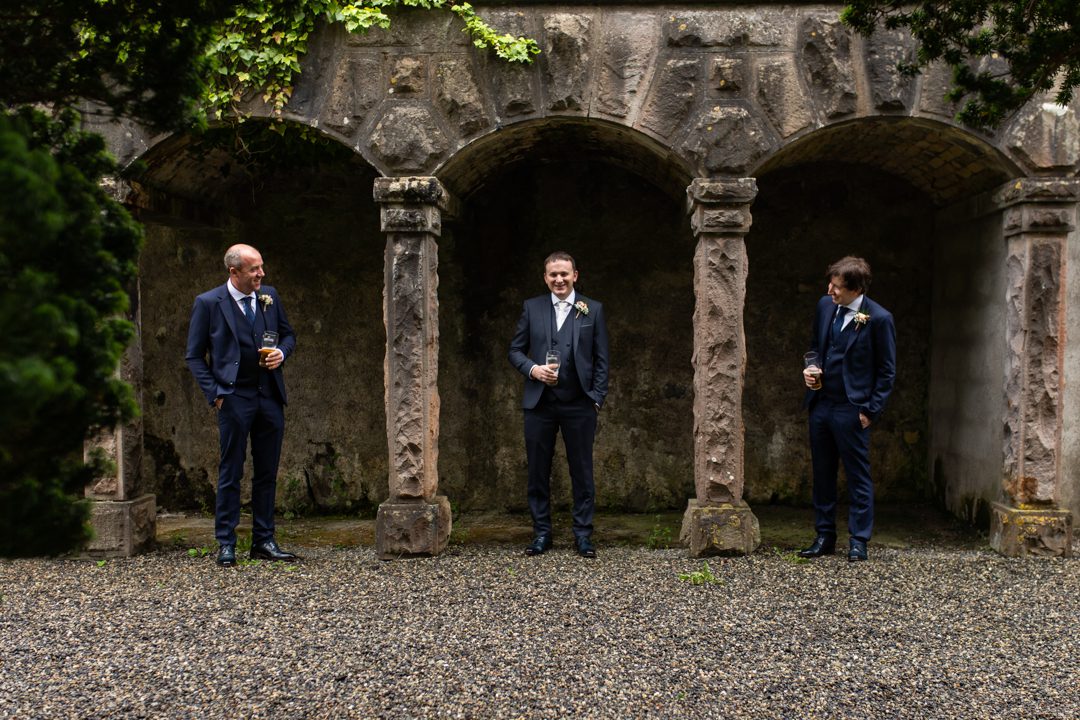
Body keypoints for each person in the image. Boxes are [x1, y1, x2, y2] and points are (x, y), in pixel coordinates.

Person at [186, 244, 298, 567]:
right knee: (231, 471)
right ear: (234, 272)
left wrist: (282, 353)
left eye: (261, 267)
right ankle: (226, 542)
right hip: (234, 398)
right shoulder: (209, 303)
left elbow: (289, 335)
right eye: (254, 269)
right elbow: (194, 356)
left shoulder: (269, 296)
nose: (261, 274)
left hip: (269, 396)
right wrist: (216, 394)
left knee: (267, 472)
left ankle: (264, 540)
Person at [509, 251, 609, 558]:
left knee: (582, 471)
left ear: (575, 275)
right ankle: (541, 533)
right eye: (553, 274)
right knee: (538, 471)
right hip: (539, 404)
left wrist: (596, 399)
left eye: (564, 273)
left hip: (579, 404)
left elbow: (602, 359)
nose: (559, 279)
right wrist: (533, 370)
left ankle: (583, 535)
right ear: (545, 278)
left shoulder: (592, 309)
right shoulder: (532, 307)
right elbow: (515, 350)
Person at [799, 256, 896, 562]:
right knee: (822, 473)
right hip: (821, 405)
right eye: (830, 284)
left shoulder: (879, 318)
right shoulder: (825, 306)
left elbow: (887, 371)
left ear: (856, 289)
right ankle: (824, 536)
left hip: (852, 409)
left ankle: (858, 540)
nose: (830, 290)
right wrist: (811, 368)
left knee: (857, 476)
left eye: (837, 287)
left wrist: (870, 411)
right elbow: (815, 346)